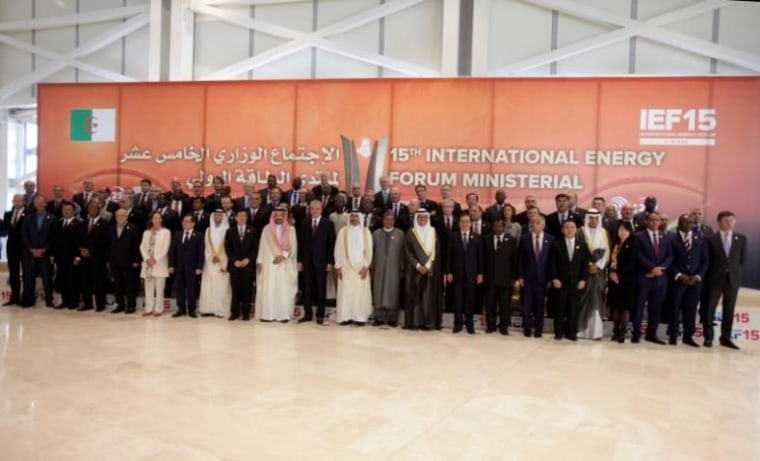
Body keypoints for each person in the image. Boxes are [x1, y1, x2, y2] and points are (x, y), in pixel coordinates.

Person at [703, 211, 746, 350]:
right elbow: (707, 260)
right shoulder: (710, 239)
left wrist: (733, 272)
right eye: (726, 220)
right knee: (710, 308)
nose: (730, 223)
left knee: (729, 309)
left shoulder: (741, 238)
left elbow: (741, 260)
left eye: (732, 220)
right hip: (714, 278)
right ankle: (708, 337)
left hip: (732, 279)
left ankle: (725, 338)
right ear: (719, 222)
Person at [667, 214, 708, 347]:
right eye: (685, 222)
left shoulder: (700, 238)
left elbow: (705, 260)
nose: (688, 225)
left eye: (690, 222)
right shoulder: (671, 238)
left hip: (694, 282)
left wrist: (697, 276)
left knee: (691, 309)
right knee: (674, 308)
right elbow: (669, 259)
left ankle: (688, 336)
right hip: (678, 280)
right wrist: (679, 274)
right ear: (679, 223)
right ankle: (673, 335)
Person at [633, 212, 673, 344]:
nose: (655, 222)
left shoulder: (665, 237)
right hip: (643, 277)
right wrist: (651, 268)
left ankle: (652, 334)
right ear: (647, 221)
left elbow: (670, 256)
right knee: (639, 306)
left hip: (660, 278)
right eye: (652, 220)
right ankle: (636, 333)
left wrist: (660, 269)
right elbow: (638, 255)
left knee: (655, 308)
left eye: (658, 220)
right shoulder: (638, 236)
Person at [255, 205, 298, 322]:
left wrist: (282, 256)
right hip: (268, 264)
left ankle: (283, 315)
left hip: (284, 264)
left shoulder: (291, 230)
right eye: (276, 215)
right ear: (273, 216)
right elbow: (261, 246)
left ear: (284, 216)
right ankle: (267, 315)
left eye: (281, 215)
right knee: (269, 289)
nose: (278, 217)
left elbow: (293, 248)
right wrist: (259, 261)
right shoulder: (266, 229)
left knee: (282, 290)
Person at [549, 219, 589, 341]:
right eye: (566, 227)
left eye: (572, 227)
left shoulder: (582, 245)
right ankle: (559, 332)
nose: (569, 230)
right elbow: (552, 263)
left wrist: (583, 279)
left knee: (573, 308)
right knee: (560, 308)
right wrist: (554, 278)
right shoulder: (556, 244)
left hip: (576, 282)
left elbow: (585, 265)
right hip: (561, 281)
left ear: (576, 229)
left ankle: (572, 332)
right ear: (562, 230)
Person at [297, 200, 336, 324]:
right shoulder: (304, 223)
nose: (314, 211)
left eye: (317, 209)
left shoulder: (328, 224)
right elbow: (300, 243)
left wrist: (330, 262)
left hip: (322, 262)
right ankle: (307, 314)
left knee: (320, 289)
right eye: (312, 208)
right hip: (307, 262)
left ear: (321, 209)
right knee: (307, 289)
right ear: (309, 209)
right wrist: (299, 260)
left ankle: (320, 315)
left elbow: (331, 244)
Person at [403, 210, 442, 331]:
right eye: (420, 218)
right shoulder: (411, 233)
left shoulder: (433, 231)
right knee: (414, 297)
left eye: (425, 218)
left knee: (428, 297)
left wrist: (428, 265)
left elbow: (436, 250)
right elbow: (407, 252)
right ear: (416, 219)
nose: (422, 220)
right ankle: (414, 322)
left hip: (429, 270)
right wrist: (418, 266)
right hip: (415, 271)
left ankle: (428, 323)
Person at [334, 211, 374, 326]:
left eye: (356, 216)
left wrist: (366, 266)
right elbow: (338, 249)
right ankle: (345, 317)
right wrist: (338, 266)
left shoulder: (365, 232)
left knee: (360, 294)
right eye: (352, 216)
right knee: (345, 293)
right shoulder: (343, 232)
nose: (354, 218)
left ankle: (360, 318)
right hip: (345, 267)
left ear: (360, 218)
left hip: (361, 267)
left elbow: (369, 251)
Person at [446, 214, 483, 334]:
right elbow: (448, 256)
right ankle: (457, 324)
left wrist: (480, 273)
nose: (465, 224)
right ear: (459, 224)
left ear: (470, 224)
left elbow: (480, 258)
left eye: (467, 221)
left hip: (471, 275)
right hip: (456, 275)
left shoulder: (477, 237)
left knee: (470, 300)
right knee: (457, 300)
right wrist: (448, 272)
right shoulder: (453, 237)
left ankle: (469, 325)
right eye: (462, 221)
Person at [518, 216, 553, 337]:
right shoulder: (524, 238)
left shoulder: (550, 239)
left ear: (543, 225)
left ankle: (539, 329)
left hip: (543, 279)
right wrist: (521, 276)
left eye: (538, 222)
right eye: (533, 222)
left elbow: (551, 262)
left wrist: (550, 278)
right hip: (527, 278)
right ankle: (526, 327)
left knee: (540, 305)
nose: (534, 224)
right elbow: (520, 259)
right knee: (526, 304)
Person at [577, 209, 610, 340]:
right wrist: (588, 265)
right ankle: (581, 331)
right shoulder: (580, 231)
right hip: (584, 272)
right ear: (587, 219)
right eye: (591, 218)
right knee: (583, 300)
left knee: (596, 301)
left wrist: (598, 266)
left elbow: (607, 252)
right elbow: (578, 251)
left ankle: (595, 332)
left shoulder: (604, 232)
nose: (593, 221)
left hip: (598, 273)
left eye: (596, 218)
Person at [483, 218, 518, 335]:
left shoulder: (511, 240)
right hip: (490, 279)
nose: (497, 228)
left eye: (499, 226)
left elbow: (514, 261)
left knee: (505, 305)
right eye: (495, 226)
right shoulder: (486, 239)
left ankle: (504, 327)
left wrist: (514, 278)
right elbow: (483, 260)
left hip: (506, 280)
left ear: (504, 227)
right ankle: (491, 326)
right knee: (490, 305)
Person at [370, 210, 405, 327]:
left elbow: (402, 253)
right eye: (386, 219)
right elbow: (372, 252)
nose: (389, 222)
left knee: (393, 292)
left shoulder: (400, 234)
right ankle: (379, 317)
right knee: (378, 291)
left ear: (394, 221)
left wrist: (401, 268)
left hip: (394, 269)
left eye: (391, 220)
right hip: (379, 268)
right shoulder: (375, 234)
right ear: (383, 220)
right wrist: (372, 267)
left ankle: (392, 318)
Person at [21, 195, 56, 307]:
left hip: (45, 254)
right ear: (34, 204)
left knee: (47, 278)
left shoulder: (53, 218)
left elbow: (53, 238)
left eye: (42, 203)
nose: (40, 205)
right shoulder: (28, 218)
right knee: (28, 278)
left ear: (46, 203)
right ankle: (29, 300)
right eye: (37, 203)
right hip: (30, 253)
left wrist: (44, 249)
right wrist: (31, 249)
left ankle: (49, 300)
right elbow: (24, 236)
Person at [225, 209, 259, 321]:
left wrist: (248, 259)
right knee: (235, 289)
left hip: (247, 265)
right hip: (234, 265)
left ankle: (245, 313)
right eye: (239, 216)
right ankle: (234, 313)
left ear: (247, 218)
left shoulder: (253, 230)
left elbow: (255, 248)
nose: (242, 218)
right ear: (235, 218)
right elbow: (228, 248)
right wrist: (234, 261)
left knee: (247, 290)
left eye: (244, 216)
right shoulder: (230, 231)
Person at [77, 199, 110, 312]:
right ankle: (87, 304)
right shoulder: (83, 224)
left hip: (98, 258)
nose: (92, 210)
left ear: (99, 209)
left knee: (98, 282)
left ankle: (100, 304)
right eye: (90, 208)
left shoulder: (104, 224)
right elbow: (79, 239)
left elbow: (104, 242)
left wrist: (90, 251)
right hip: (84, 258)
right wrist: (81, 250)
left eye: (95, 208)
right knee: (85, 282)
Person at [169, 215, 204, 318]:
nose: (185, 223)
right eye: (184, 221)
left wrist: (199, 267)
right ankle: (181, 308)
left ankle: (192, 309)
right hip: (179, 266)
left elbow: (201, 252)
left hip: (192, 267)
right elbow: (172, 251)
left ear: (193, 223)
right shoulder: (177, 234)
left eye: (188, 221)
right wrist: (171, 265)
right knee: (179, 288)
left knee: (191, 288)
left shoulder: (198, 235)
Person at [607, 221, 637, 343]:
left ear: (630, 231)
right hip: (614, 280)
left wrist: (618, 274)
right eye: (620, 230)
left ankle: (622, 333)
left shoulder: (633, 244)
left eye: (625, 230)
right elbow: (611, 261)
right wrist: (611, 273)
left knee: (625, 307)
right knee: (615, 306)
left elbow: (631, 263)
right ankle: (616, 331)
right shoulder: (616, 244)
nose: (622, 232)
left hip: (626, 280)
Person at [199, 210, 232, 318]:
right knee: (208, 286)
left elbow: (229, 248)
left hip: (223, 262)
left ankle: (221, 309)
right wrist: (210, 257)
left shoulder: (228, 230)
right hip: (210, 263)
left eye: (220, 215)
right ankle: (208, 309)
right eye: (216, 215)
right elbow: (206, 247)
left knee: (222, 286)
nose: (217, 217)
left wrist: (224, 262)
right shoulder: (208, 230)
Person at [108, 208, 142, 314]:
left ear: (126, 216)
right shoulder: (111, 228)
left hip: (129, 262)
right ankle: (120, 305)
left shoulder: (133, 228)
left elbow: (136, 245)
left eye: (122, 215)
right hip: (115, 261)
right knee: (117, 285)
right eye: (118, 215)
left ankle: (131, 306)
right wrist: (108, 260)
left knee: (129, 284)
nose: (120, 217)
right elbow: (108, 245)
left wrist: (137, 260)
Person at [140, 211, 172, 316]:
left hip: (159, 264)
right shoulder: (146, 232)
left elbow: (165, 248)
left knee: (159, 289)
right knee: (148, 288)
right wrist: (147, 258)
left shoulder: (166, 232)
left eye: (159, 218)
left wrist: (155, 259)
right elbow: (142, 247)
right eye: (155, 218)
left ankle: (158, 309)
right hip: (148, 264)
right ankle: (149, 308)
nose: (157, 220)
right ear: (151, 220)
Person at [51, 201, 81, 309]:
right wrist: (53, 256)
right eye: (64, 210)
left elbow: (80, 242)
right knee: (62, 279)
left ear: (74, 212)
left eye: (68, 210)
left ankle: (74, 302)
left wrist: (78, 257)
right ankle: (65, 301)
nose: (66, 212)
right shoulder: (57, 224)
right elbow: (54, 241)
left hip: (73, 258)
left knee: (73, 280)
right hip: (60, 258)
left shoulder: (79, 224)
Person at [1, 195, 27, 306]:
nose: (17, 203)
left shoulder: (29, 214)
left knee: (27, 274)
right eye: (15, 201)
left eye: (19, 201)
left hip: (25, 247)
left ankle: (26, 298)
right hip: (11, 247)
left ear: (24, 202)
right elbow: (4, 231)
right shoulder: (7, 214)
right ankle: (14, 297)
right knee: (13, 273)